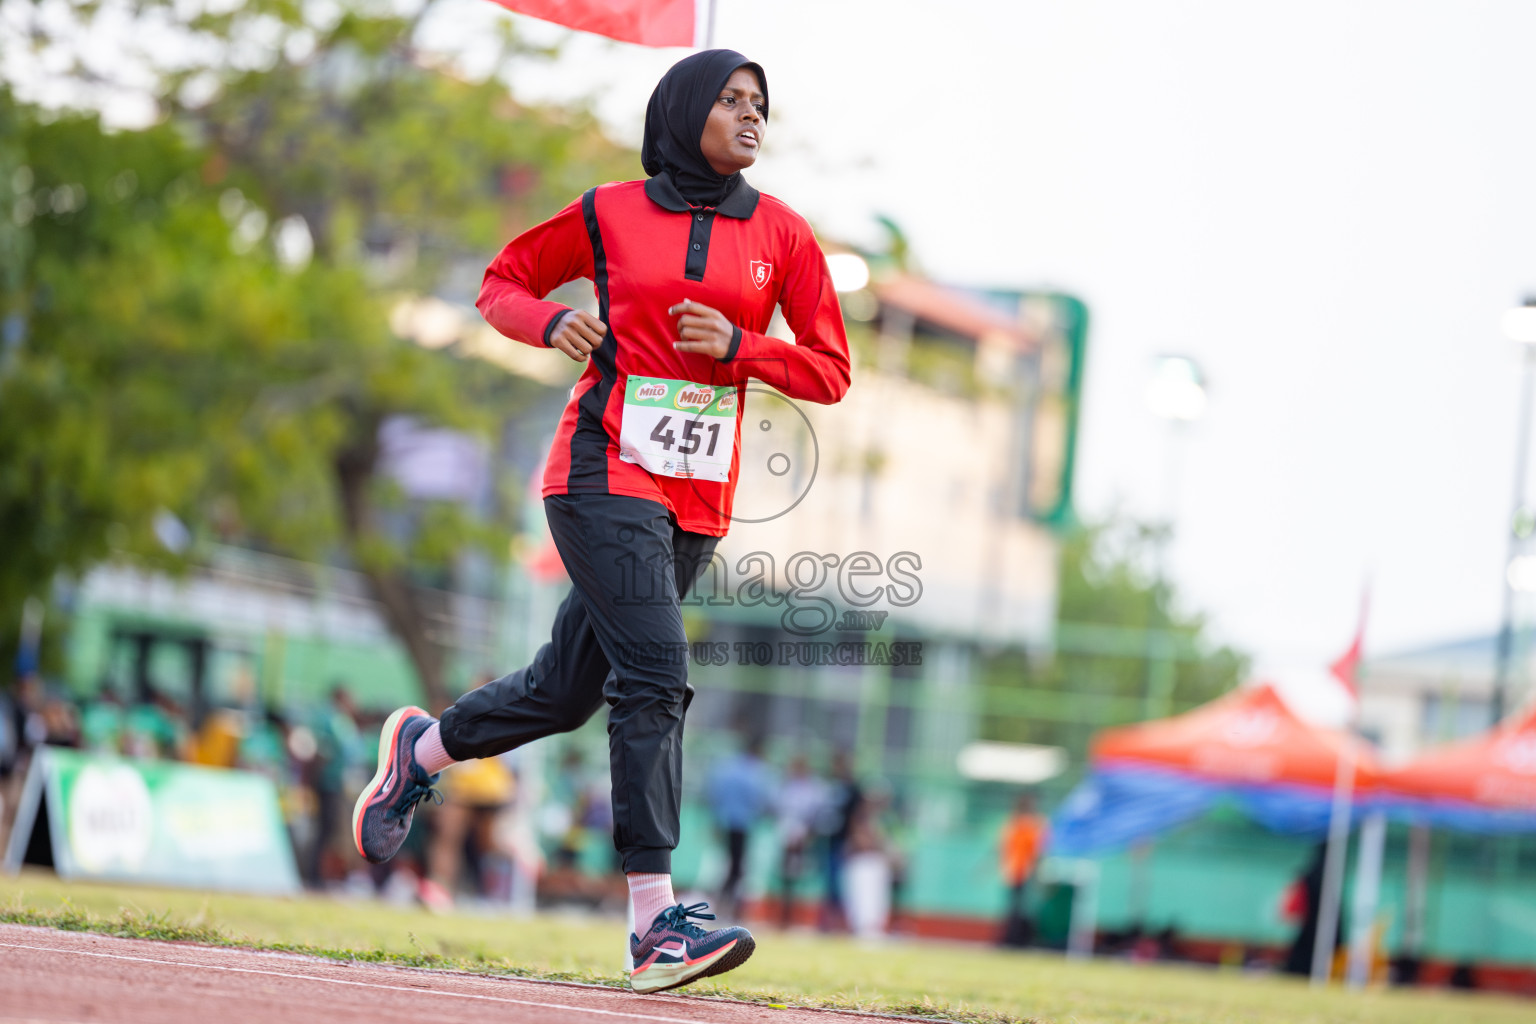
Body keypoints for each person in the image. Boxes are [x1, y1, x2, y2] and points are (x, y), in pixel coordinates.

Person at [352, 49, 850, 995]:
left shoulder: (784, 236)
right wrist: (547, 323)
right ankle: (654, 921)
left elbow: (830, 367)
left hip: (697, 500)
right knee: (657, 673)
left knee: (564, 691)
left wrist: (744, 347)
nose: (751, 116)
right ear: (685, 110)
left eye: (760, 104)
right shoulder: (610, 210)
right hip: (601, 466)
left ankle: (417, 753)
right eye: (731, 100)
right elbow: (501, 279)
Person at [704, 735, 773, 918]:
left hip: (725, 822)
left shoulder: (728, 767)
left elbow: (714, 793)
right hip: (742, 825)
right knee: (737, 867)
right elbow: (761, 800)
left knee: (728, 865)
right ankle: (729, 906)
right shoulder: (755, 771)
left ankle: (722, 903)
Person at [998, 792, 1048, 947]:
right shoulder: (1015, 822)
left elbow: (1039, 849)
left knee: (1026, 908)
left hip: (1028, 871)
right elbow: (1006, 847)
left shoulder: (1036, 823)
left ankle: (1023, 940)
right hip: (1016, 870)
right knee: (1015, 908)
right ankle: (1013, 939)